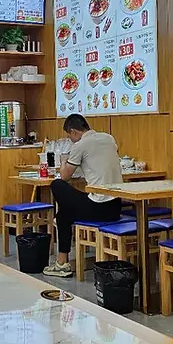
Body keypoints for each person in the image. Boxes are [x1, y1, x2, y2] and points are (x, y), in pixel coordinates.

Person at [43, 114, 123, 278]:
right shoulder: (108, 138)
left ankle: (62, 265)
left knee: (56, 185)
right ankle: (61, 262)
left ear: (73, 132)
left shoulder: (80, 145)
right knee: (64, 214)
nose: (70, 139)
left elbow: (64, 176)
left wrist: (64, 160)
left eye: (68, 136)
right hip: (116, 206)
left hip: (99, 208)